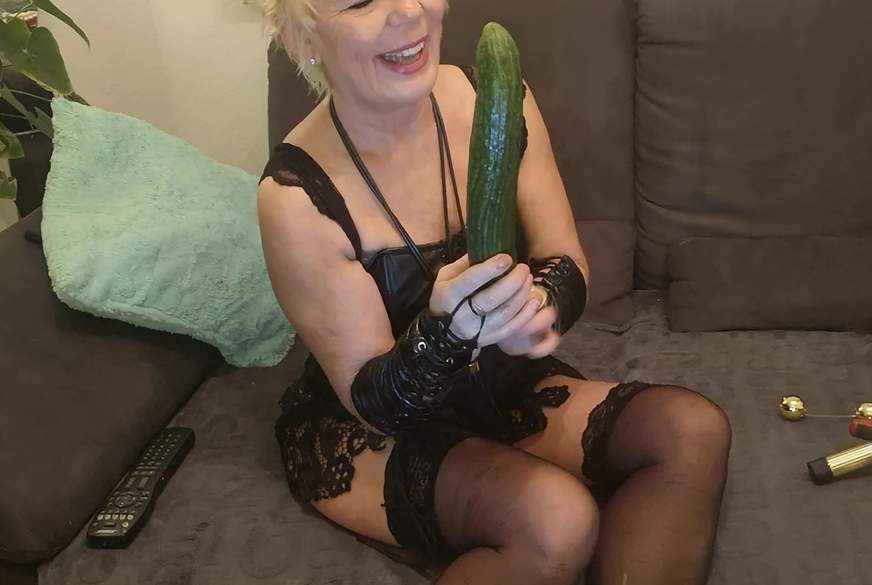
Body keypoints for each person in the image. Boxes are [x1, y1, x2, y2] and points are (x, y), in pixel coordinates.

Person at [257, 1, 732, 584]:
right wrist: (446, 333)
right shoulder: (295, 199)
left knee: (689, 429)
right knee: (557, 520)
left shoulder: (498, 98)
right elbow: (375, 403)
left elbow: (565, 261)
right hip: (376, 425)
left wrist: (542, 306)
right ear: (300, 36)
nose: (407, 9)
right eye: (360, 0)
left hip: (501, 388)